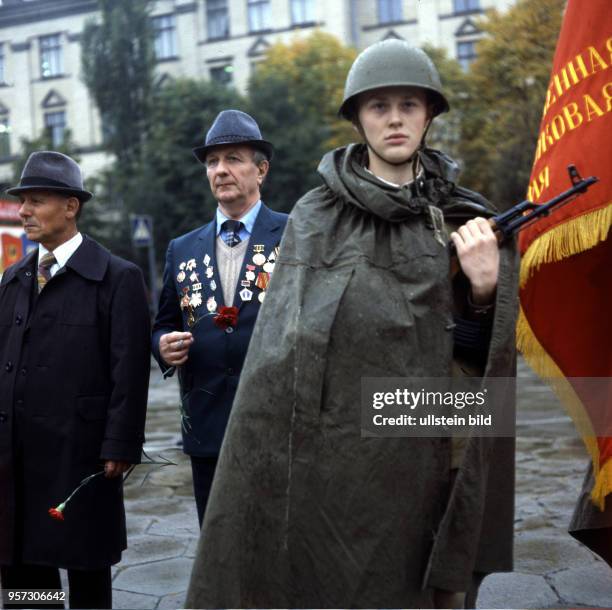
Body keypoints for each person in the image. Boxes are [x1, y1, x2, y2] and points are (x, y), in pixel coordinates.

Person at [185, 40, 519, 608]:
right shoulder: (318, 217)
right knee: (360, 580)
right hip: (351, 446)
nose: (394, 119)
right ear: (359, 118)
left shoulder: (466, 213)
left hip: (449, 427)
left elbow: (489, 355)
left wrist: (486, 288)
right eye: (379, 106)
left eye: (409, 105)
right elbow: (286, 350)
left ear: (430, 114)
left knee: (447, 585)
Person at [0, 151, 150, 609]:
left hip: (81, 457)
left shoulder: (116, 278)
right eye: (22, 201)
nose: (24, 211)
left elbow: (130, 370)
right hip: (16, 457)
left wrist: (120, 445)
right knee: (26, 570)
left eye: (36, 200)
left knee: (86, 566)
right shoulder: (13, 279)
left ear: (71, 206)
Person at [152, 110, 288, 526]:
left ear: (261, 169)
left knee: (276, 545)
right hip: (206, 424)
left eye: (233, 158)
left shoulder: (297, 235)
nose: (221, 170)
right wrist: (161, 345)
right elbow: (163, 322)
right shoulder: (182, 248)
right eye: (213, 162)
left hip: (277, 424)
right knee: (216, 542)